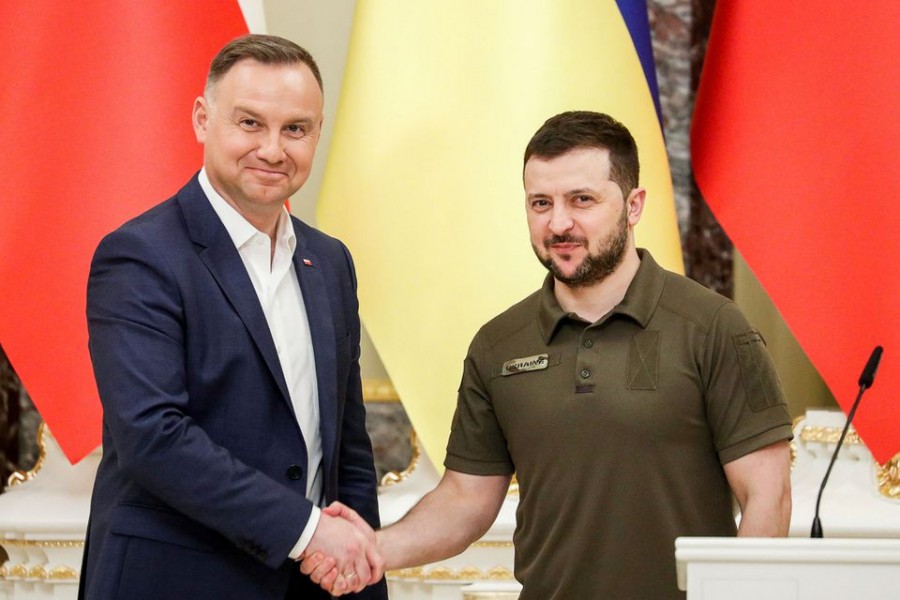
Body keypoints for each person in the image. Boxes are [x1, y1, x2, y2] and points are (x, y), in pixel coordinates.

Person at [303, 111, 794, 599]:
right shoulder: (498, 345)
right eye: (541, 203)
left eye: (582, 200)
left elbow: (767, 496)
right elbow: (465, 501)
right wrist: (370, 549)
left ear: (634, 206)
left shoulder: (714, 327)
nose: (559, 223)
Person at [80, 34, 386, 600]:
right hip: (175, 583)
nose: (273, 149)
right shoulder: (140, 256)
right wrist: (309, 531)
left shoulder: (330, 262)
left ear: (317, 133)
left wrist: (360, 572)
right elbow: (154, 437)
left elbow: (348, 445)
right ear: (203, 119)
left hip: (314, 586)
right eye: (250, 123)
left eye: (295, 129)